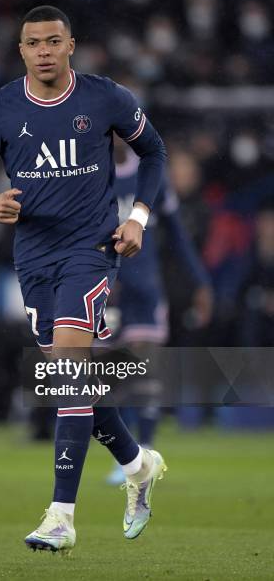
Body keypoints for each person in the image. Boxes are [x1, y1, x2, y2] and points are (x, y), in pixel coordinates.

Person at [0, 5, 167, 554]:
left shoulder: (105, 97)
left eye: (54, 41)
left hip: (92, 250)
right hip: (33, 258)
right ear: (22, 50)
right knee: (69, 383)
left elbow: (154, 151)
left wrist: (138, 217)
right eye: (33, 43)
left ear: (71, 45)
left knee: (71, 371)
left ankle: (61, 516)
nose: (44, 51)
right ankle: (137, 464)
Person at [106, 140, 213, 485]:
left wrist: (200, 282)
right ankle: (127, 459)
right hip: (109, 290)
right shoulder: (94, 174)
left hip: (147, 289)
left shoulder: (151, 175)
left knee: (147, 374)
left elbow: (178, 235)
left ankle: (146, 451)